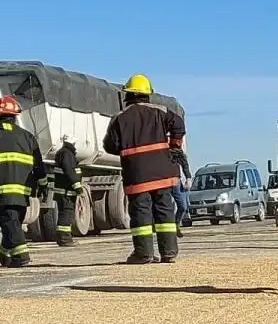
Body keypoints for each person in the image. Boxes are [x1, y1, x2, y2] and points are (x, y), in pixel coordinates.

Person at [103, 74, 186, 264]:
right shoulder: (161, 111)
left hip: (137, 174)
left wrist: (128, 149)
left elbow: (110, 146)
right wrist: (174, 145)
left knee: (141, 213)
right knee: (165, 211)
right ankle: (169, 252)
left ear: (128, 95)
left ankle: (144, 253)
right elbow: (179, 124)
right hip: (162, 172)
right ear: (148, 94)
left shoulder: (119, 118)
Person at [0, 95, 46, 268]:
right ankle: (7, 257)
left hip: (2, 192)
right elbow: (39, 165)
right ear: (15, 115)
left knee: (10, 223)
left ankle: (22, 256)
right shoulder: (28, 137)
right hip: (23, 192)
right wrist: (43, 185)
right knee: (13, 223)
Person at [52, 134, 83, 247]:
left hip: (63, 191)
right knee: (66, 214)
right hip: (66, 191)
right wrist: (77, 186)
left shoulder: (62, 153)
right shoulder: (67, 154)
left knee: (64, 214)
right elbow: (70, 171)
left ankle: (63, 238)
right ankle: (65, 239)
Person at [170, 144, 191, 235]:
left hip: (175, 181)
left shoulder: (176, 150)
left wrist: (188, 177)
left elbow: (184, 162)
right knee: (165, 207)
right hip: (163, 182)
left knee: (183, 206)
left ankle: (176, 225)